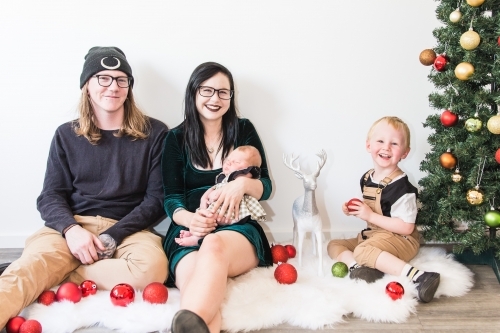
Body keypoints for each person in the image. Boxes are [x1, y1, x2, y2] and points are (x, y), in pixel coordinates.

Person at [0, 46, 169, 328]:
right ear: (87, 86)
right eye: (102, 78)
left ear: (128, 87)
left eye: (120, 79)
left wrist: (113, 235)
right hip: (72, 227)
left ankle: (58, 275)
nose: (112, 87)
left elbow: (156, 199)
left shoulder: (155, 133)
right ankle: (43, 270)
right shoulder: (66, 135)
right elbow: (50, 196)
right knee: (28, 271)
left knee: (152, 269)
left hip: (128, 229)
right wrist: (72, 231)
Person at [161, 62, 273, 333]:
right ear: (193, 93)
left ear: (231, 97)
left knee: (212, 245)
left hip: (237, 228)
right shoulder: (175, 139)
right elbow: (172, 199)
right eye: (207, 90)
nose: (215, 99)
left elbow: (266, 186)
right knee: (194, 287)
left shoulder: (244, 130)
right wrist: (193, 220)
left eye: (224, 92)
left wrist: (242, 186)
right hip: (190, 227)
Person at [327, 116, 440, 303]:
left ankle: (420, 277)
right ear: (368, 145)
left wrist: (369, 215)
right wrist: (352, 209)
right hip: (376, 235)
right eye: (380, 141)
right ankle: (362, 269)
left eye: (394, 143)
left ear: (404, 153)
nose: (386, 147)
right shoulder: (367, 178)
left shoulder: (402, 188)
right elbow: (372, 210)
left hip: (402, 239)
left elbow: (406, 228)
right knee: (334, 245)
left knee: (363, 250)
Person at [175, 145, 266, 247]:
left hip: (231, 209)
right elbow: (214, 187)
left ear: (249, 168)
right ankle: (194, 233)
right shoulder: (224, 177)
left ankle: (197, 239)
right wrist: (204, 197)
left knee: (209, 218)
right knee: (202, 217)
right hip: (220, 206)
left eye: (236, 162)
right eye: (228, 159)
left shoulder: (242, 175)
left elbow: (235, 186)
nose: (229, 162)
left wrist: (218, 193)